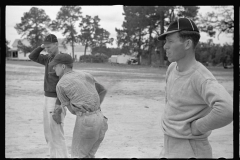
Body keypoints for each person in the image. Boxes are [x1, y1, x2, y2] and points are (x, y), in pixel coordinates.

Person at [157, 17, 233, 158]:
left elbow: (227, 110)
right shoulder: (172, 68)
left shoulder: (201, 77)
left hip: (191, 148)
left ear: (187, 44)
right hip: (169, 143)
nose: (165, 46)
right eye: (166, 41)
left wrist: (198, 127)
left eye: (170, 41)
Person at [49, 53, 108, 158]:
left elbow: (72, 110)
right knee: (89, 155)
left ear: (63, 66)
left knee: (78, 156)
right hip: (101, 119)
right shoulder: (85, 74)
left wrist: (86, 112)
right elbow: (103, 90)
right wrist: (93, 108)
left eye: (55, 65)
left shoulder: (60, 85)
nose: (53, 68)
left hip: (86, 122)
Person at [28, 34, 69, 158]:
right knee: (48, 133)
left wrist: (58, 105)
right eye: (45, 47)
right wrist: (42, 46)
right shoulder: (47, 59)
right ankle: (53, 156)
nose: (47, 50)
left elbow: (64, 85)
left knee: (57, 132)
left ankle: (63, 157)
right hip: (46, 99)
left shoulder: (62, 60)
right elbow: (32, 56)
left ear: (57, 44)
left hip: (56, 100)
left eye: (49, 47)